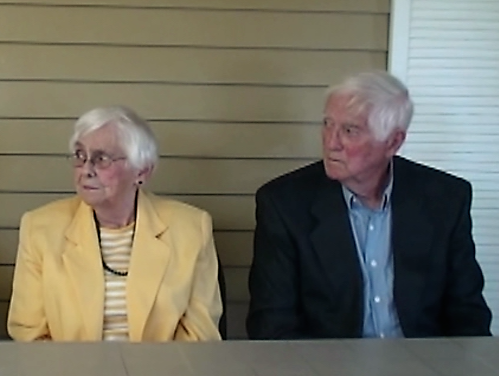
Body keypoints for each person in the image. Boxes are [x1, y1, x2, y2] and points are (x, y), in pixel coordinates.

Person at [246, 71, 492, 339]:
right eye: (327, 124)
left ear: (393, 142)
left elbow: (468, 315)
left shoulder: (445, 199)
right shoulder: (284, 204)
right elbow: (272, 326)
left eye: (349, 130)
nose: (331, 142)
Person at [8, 106, 223, 341]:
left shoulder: (191, 229)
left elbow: (200, 335)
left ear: (142, 171)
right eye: (80, 156)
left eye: (102, 159)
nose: (86, 170)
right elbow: (29, 333)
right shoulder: (40, 229)